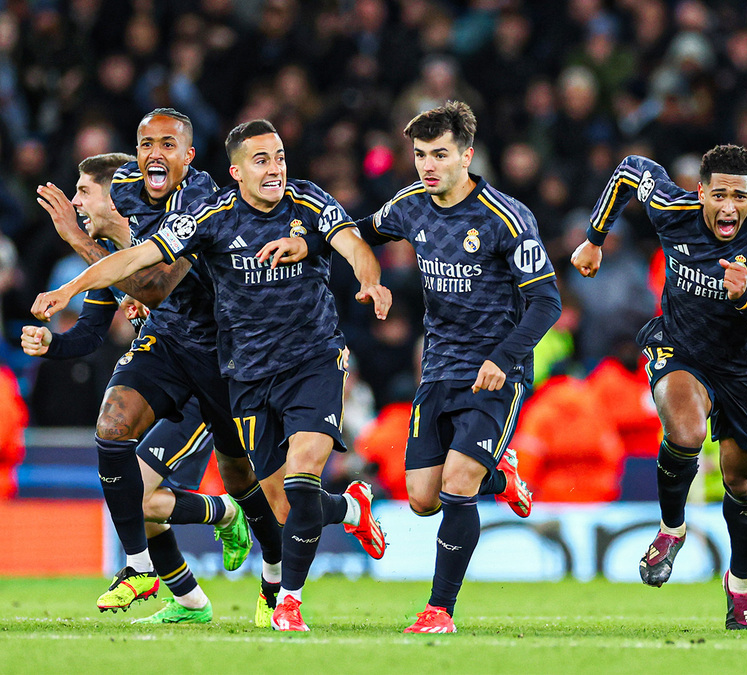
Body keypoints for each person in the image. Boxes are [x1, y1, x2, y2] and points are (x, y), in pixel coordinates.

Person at [32, 118, 392, 633]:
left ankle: (283, 581)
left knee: (283, 482)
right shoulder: (177, 205)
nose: (275, 168)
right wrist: (68, 295)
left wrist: (371, 280)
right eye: (262, 160)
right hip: (206, 358)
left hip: (267, 358)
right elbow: (133, 268)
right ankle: (159, 572)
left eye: (280, 158)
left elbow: (353, 242)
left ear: (192, 156)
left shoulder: (265, 201)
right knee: (265, 499)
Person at [24, 110, 276, 618]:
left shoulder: (198, 201)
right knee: (113, 429)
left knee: (243, 483)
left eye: (83, 193)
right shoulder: (122, 220)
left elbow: (158, 287)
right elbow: (93, 328)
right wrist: (51, 344)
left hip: (219, 356)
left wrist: (79, 242)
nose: (76, 204)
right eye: (145, 145)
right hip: (165, 347)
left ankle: (270, 576)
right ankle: (144, 571)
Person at [572, 145, 747, 630]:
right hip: (680, 349)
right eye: (717, 194)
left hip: (744, 370)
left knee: (741, 482)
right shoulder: (674, 210)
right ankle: (671, 528)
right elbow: (629, 169)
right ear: (700, 192)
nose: (727, 207)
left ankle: (740, 583)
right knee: (687, 433)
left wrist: (746, 298)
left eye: (739, 196)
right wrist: (595, 238)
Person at [356, 101, 558, 634]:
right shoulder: (410, 204)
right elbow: (360, 231)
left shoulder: (506, 218)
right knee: (422, 498)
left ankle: (438, 610)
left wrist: (504, 357)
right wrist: (306, 242)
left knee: (458, 486)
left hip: (495, 373)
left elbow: (546, 303)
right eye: (421, 154)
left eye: (440, 155)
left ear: (466, 155)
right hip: (439, 369)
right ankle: (501, 472)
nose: (428, 165)